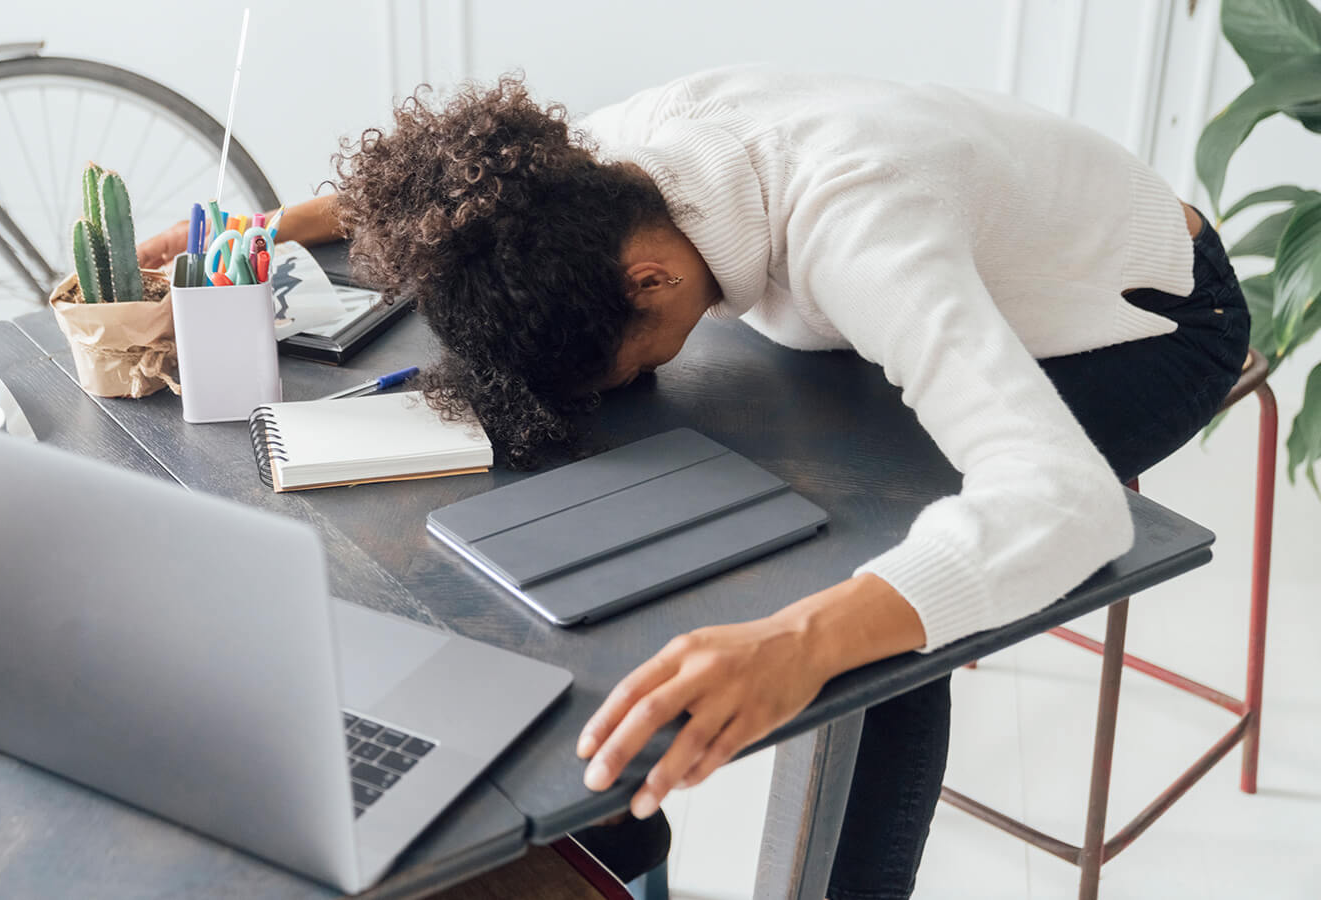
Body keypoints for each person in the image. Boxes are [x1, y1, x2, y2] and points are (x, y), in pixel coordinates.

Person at [139, 66, 1249, 899]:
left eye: (631, 342)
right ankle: (617, 849)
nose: (628, 373)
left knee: (889, 604)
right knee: (597, 457)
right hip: (912, 283)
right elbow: (487, 193)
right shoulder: (611, 174)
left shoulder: (860, 223)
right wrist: (280, 228)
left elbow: (1061, 504)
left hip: (1135, 322)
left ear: (653, 274)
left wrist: (803, 639)